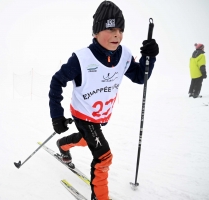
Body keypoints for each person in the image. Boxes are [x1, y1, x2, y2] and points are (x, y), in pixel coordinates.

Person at [48, 1, 159, 200]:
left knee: (86, 140)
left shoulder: (123, 55)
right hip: (83, 114)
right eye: (110, 28)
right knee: (103, 156)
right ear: (96, 32)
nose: (117, 34)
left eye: (120, 29)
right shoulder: (81, 59)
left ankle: (63, 145)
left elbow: (140, 77)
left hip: (100, 116)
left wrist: (149, 58)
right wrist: (57, 116)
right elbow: (57, 82)